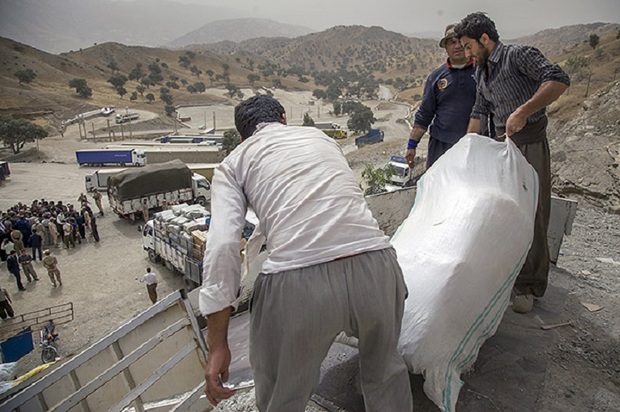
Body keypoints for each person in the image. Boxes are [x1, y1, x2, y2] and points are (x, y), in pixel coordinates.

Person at [200, 95, 411, 411]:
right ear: (284, 118)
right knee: (385, 376)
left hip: (299, 285)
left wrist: (218, 345)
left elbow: (222, 248)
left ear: (242, 136)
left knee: (281, 395)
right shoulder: (320, 138)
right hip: (378, 266)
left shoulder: (233, 162)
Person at [454, 13, 570, 313]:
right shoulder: (480, 71)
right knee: (503, 211)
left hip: (530, 142)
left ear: (484, 39)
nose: (466, 54)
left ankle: (529, 285)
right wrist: (466, 148)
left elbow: (559, 79)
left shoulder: (518, 56)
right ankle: (507, 275)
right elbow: (479, 111)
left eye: (468, 47)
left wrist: (523, 110)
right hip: (502, 147)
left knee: (533, 211)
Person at [405, 23, 477, 170]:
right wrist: (412, 145)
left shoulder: (482, 72)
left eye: (460, 41)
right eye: (451, 42)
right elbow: (425, 114)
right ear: (445, 47)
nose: (457, 46)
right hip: (441, 145)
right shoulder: (436, 78)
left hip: (475, 145)